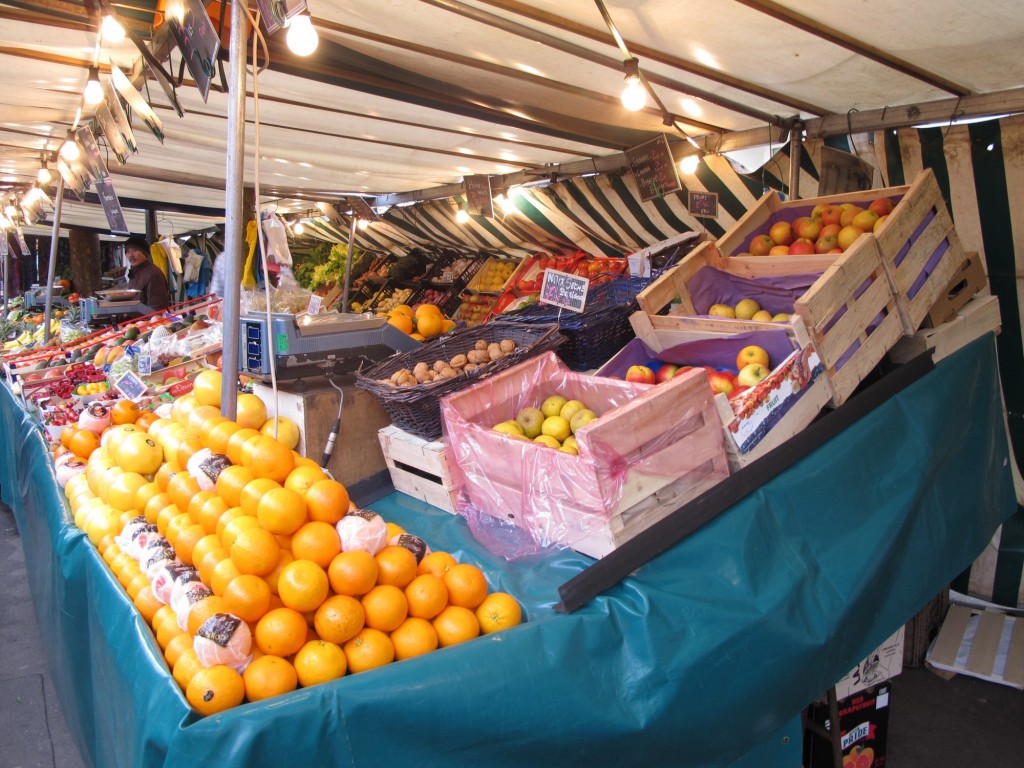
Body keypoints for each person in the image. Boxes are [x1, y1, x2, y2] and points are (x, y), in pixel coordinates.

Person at [123, 235, 171, 311]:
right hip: (135, 320)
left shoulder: (153, 273)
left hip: (149, 321)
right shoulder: (133, 273)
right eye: (128, 251)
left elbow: (157, 307)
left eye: (134, 250)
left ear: (145, 253)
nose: (130, 255)